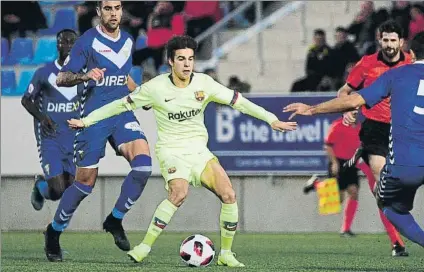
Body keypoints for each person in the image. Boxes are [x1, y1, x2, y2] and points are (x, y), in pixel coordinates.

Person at [67, 35, 297, 267]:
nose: (187, 64)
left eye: (190, 59)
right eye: (181, 59)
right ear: (170, 61)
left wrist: (271, 119)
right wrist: (87, 121)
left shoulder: (204, 84)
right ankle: (143, 247)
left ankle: (226, 254)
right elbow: (119, 105)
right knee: (179, 193)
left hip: (200, 152)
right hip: (172, 151)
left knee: (229, 195)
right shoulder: (155, 87)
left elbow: (240, 102)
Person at [284, 31, 424, 250]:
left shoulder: (397, 75)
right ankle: (392, 242)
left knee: (388, 205)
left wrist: (311, 109)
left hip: (405, 162)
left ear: (410, 51)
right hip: (351, 158)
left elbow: (352, 100)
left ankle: (404, 240)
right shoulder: (371, 68)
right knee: (349, 193)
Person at [43, 1, 152, 262]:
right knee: (85, 183)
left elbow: (123, 76)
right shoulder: (86, 42)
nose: (113, 13)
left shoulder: (127, 40)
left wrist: (140, 94)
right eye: (107, 8)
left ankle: (114, 219)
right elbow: (62, 78)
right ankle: (54, 231)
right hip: (93, 118)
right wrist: (85, 76)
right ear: (98, 12)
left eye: (117, 8)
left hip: (122, 113)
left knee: (144, 166)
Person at [336, 20, 412, 257]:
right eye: (385, 40)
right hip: (375, 129)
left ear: (401, 42)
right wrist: (348, 109)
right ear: (379, 40)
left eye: (393, 40)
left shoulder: (412, 62)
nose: (389, 45)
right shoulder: (367, 64)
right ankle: (397, 241)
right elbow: (344, 91)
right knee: (381, 180)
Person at [21, 29, 79, 212]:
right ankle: (40, 185)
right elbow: (26, 100)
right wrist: (42, 117)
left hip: (72, 138)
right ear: (58, 45)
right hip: (50, 137)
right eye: (64, 42)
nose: (68, 46)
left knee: (68, 186)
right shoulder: (45, 73)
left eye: (72, 42)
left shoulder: (82, 75)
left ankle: (41, 185)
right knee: (57, 188)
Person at [303, 117, 374, 237]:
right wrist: (334, 162)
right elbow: (328, 145)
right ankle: (316, 183)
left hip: (351, 164)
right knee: (337, 199)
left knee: (354, 191)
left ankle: (345, 229)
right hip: (338, 162)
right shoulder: (337, 125)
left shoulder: (359, 128)